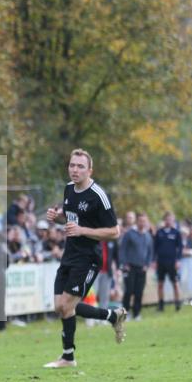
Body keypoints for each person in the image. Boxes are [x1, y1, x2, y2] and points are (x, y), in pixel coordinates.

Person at [43, 149, 127, 369]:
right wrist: (57, 218)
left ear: (90, 170)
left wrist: (82, 231)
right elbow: (70, 221)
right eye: (72, 165)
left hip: (88, 257)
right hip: (69, 254)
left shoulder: (98, 195)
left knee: (68, 306)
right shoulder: (69, 189)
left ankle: (68, 357)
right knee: (61, 307)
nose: (75, 170)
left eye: (80, 166)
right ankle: (112, 316)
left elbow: (114, 232)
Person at [119, 211, 153, 320]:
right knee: (128, 291)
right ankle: (125, 313)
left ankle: (137, 313)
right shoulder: (129, 234)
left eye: (144, 221)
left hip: (142, 268)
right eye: (140, 221)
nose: (142, 223)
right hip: (130, 267)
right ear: (137, 221)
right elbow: (122, 249)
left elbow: (150, 252)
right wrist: (124, 264)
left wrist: (147, 265)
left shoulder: (148, 236)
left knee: (139, 292)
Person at [154, 212, 183, 311]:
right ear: (164, 220)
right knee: (160, 284)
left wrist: (178, 260)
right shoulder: (159, 232)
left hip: (172, 262)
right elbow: (155, 247)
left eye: (171, 219)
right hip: (161, 262)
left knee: (175, 283)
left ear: (173, 220)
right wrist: (154, 261)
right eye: (167, 219)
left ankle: (178, 303)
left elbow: (180, 248)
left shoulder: (176, 233)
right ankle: (161, 305)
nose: (169, 221)